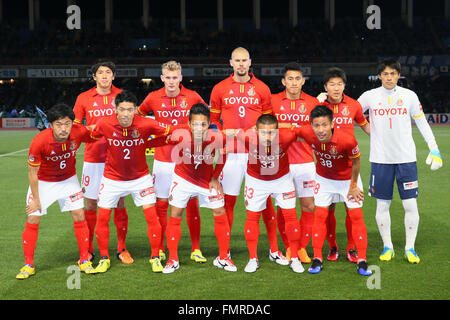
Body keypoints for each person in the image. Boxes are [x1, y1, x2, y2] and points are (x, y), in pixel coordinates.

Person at [357, 58, 443, 264]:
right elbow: (350, 111)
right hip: (380, 160)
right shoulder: (370, 96)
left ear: (398, 75)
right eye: (385, 74)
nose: (389, 77)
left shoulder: (409, 96)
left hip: (406, 159)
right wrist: (323, 102)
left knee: (410, 204)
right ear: (379, 76)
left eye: (393, 73)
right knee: (382, 206)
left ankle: (409, 248)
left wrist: (435, 148)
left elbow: (421, 122)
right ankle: (388, 247)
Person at [210, 47, 286, 264]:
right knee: (228, 204)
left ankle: (274, 250)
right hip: (231, 155)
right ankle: (224, 254)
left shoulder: (261, 88)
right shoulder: (219, 88)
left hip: (257, 154)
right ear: (230, 62)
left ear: (250, 62)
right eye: (237, 60)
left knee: (265, 204)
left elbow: (270, 123)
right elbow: (213, 122)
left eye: (244, 60)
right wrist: (221, 137)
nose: (241, 64)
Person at [90, 90, 177, 273]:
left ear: (136, 110)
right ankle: (104, 258)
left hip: (140, 178)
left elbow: (170, 131)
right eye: (122, 109)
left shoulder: (146, 123)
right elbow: (91, 134)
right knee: (103, 217)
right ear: (115, 109)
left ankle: (155, 257)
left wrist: (195, 129)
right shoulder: (105, 123)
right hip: (112, 178)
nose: (126, 114)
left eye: (130, 110)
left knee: (151, 216)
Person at [147, 103, 236, 274]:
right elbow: (158, 140)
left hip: (206, 181)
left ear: (209, 124)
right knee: (175, 214)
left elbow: (225, 152)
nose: (198, 128)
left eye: (203, 124)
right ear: (189, 124)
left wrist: (216, 177)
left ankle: (223, 257)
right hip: (183, 179)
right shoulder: (179, 134)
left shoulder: (217, 137)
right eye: (195, 124)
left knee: (220, 212)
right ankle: (173, 259)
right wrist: (140, 144)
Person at [17, 104, 97, 279]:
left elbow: (93, 132)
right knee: (33, 217)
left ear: (72, 123)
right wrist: (36, 200)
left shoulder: (78, 131)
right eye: (59, 124)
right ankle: (28, 265)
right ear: (51, 125)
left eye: (67, 124)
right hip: (44, 182)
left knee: (79, 214)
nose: (63, 129)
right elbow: (32, 173)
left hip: (68, 180)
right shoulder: (39, 141)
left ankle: (84, 259)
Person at [137, 61, 207, 264]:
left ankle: (195, 249)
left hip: (188, 159)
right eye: (167, 77)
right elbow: (139, 117)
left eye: (175, 77)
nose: (171, 81)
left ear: (181, 78)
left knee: (191, 205)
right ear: (161, 78)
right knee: (162, 204)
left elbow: (208, 118)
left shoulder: (192, 96)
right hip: (162, 159)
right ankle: (159, 248)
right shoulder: (152, 97)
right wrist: (150, 131)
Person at [292, 105, 372, 276]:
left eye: (324, 125)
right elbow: (289, 128)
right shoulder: (307, 133)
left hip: (348, 180)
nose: (320, 130)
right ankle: (318, 258)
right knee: (320, 216)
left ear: (332, 124)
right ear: (311, 125)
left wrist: (353, 186)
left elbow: (357, 162)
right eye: (316, 125)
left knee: (356, 216)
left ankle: (362, 260)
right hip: (324, 180)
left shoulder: (347, 140)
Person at [228, 114, 306, 274]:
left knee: (290, 217)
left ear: (278, 131)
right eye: (263, 133)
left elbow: (306, 131)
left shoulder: (287, 136)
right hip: (256, 180)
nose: (268, 137)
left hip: (282, 179)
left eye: (272, 132)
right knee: (252, 218)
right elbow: (230, 132)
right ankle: (252, 259)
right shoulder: (247, 137)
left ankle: (295, 258)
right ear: (256, 131)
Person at [73, 60, 132, 264]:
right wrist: (91, 130)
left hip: (119, 158)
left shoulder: (122, 96)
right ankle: (89, 248)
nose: (105, 76)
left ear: (114, 76)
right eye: (101, 73)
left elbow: (133, 122)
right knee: (90, 203)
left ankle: (122, 248)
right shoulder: (83, 98)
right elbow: (75, 127)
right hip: (93, 159)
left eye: (108, 72)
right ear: (94, 77)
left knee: (119, 202)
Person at [316, 67, 370, 263]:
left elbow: (364, 125)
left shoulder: (354, 105)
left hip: (349, 169)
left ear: (344, 86)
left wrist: (383, 138)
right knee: (328, 209)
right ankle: (332, 246)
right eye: (332, 84)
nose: (336, 88)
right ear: (325, 87)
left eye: (339, 84)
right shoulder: (319, 106)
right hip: (326, 169)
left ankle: (351, 247)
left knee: (351, 209)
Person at [271, 62, 318, 264]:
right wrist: (296, 128)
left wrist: (289, 130)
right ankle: (290, 247)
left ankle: (301, 248)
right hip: (280, 163)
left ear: (303, 81)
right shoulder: (272, 101)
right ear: (283, 81)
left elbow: (316, 130)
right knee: (283, 208)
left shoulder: (313, 102)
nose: (293, 82)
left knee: (308, 206)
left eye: (297, 78)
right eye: (289, 78)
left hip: (306, 162)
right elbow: (266, 127)